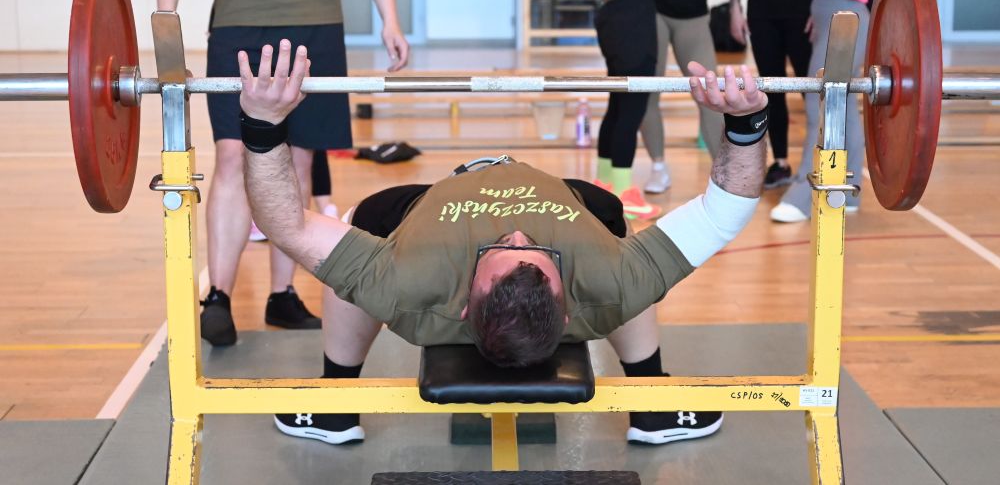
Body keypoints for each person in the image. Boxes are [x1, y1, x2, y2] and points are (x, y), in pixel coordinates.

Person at [237, 41, 770, 446]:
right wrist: (745, 122)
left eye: (499, 249)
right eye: (534, 249)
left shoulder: (407, 282)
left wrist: (262, 125)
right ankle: (653, 402)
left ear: (463, 303)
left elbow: (286, 225)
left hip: (427, 206)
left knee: (359, 227)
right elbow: (725, 210)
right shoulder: (604, 280)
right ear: (569, 312)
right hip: (572, 212)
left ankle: (335, 401)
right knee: (616, 246)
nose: (515, 231)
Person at [155, 0, 410, 346]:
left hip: (316, 20)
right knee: (233, 155)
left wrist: (389, 18)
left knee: (298, 159)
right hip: (239, 20)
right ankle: (218, 297)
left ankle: (282, 295)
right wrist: (166, 32)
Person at [770, 0, 878, 223]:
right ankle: (850, 192)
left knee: (820, 102)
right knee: (843, 104)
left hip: (845, 15)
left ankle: (804, 195)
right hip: (826, 12)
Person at [637, 0, 725, 194]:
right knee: (648, 92)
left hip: (692, 11)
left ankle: (723, 173)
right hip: (653, 8)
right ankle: (658, 166)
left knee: (711, 94)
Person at [729, 0, 815, 189]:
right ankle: (780, 162)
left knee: (812, 91)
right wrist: (734, 8)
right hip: (763, 11)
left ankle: (817, 162)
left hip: (802, 10)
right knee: (772, 91)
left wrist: (818, 8)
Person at [590, 0, 661, 219]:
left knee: (618, 106)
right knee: (630, 110)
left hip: (615, 13)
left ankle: (604, 185)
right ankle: (623, 195)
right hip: (630, 15)